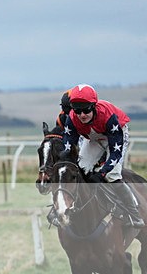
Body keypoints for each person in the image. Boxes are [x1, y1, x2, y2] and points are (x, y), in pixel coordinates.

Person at [62, 84, 144, 228]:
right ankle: (79, 207)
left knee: (112, 175)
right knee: (81, 169)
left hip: (115, 135)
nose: (82, 115)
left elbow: (115, 152)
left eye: (86, 110)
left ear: (94, 106)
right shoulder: (72, 118)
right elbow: (68, 147)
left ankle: (134, 214)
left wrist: (102, 173)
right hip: (93, 137)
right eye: (78, 111)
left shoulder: (108, 116)